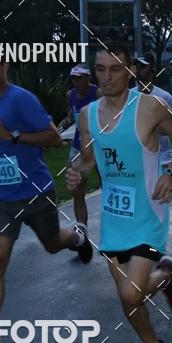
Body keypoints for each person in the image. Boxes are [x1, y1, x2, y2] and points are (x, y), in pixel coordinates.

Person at [66, 41, 172, 343]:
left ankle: (166, 274)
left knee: (130, 291)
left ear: (130, 71)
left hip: (149, 213)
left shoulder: (150, 107)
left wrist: (171, 173)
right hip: (114, 218)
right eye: (100, 69)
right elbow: (90, 159)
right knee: (128, 300)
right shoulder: (87, 115)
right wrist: (77, 170)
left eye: (116, 69)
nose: (107, 77)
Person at [0, 43, 93, 343]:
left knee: (52, 243)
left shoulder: (21, 99)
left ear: (4, 67)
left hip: (35, 193)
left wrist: (13, 137)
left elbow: (52, 137)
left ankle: (77, 238)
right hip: (0, 196)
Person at [57, 65, 99, 226]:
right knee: (77, 190)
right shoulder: (71, 94)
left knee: (109, 186)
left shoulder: (97, 94)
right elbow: (73, 112)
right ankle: (82, 229)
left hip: (98, 147)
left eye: (80, 78)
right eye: (74, 78)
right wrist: (68, 119)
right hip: (78, 146)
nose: (77, 81)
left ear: (89, 78)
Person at [134, 53, 172, 168]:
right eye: (136, 67)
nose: (138, 70)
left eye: (142, 67)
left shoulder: (164, 97)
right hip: (137, 160)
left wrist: (163, 128)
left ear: (152, 71)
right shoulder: (129, 96)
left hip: (162, 159)